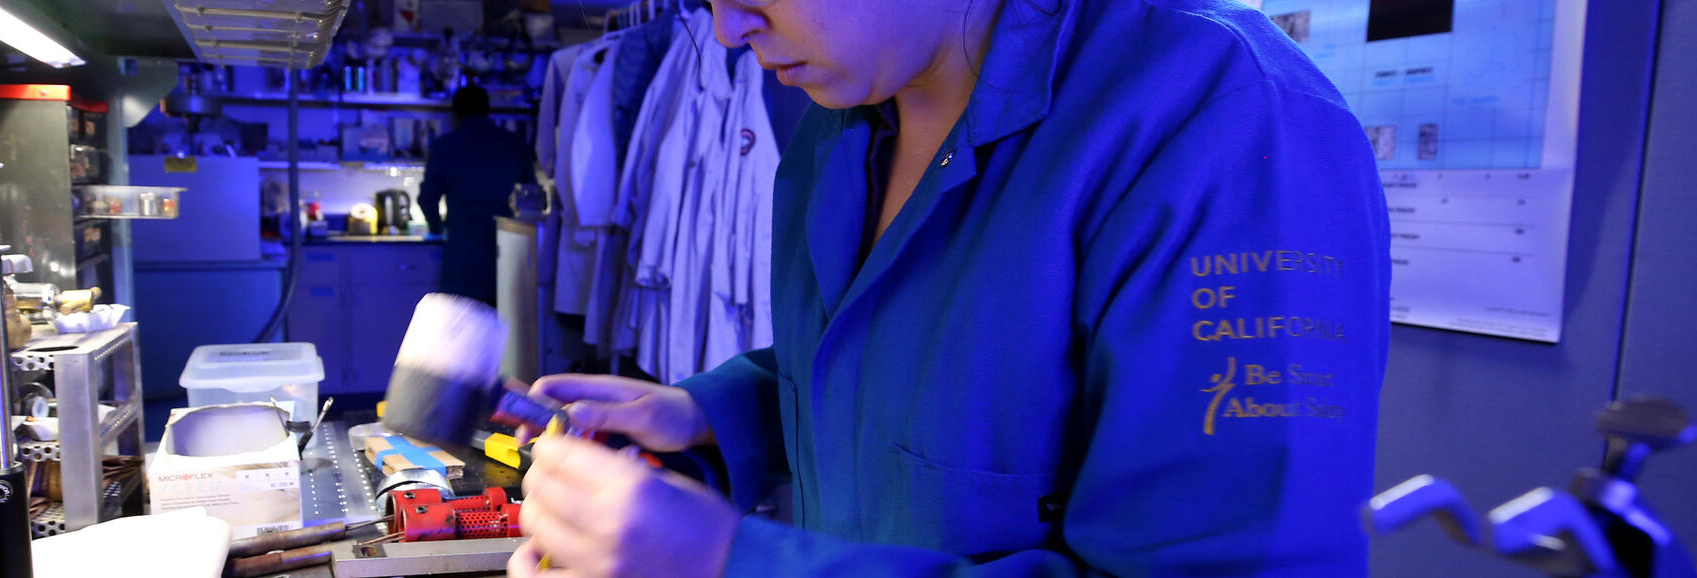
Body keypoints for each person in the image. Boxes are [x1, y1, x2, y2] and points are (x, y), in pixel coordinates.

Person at [508, 0, 1390, 576]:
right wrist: (708, 416)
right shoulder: (839, 129)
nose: (728, 28)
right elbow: (898, 362)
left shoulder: (1218, 121)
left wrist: (730, 562)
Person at [420, 85, 531, 305]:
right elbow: (530, 196)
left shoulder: (444, 146)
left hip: (462, 252)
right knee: (505, 328)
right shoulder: (514, 144)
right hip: (505, 250)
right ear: (488, 110)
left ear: (456, 113)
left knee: (462, 329)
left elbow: (427, 199)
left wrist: (436, 229)